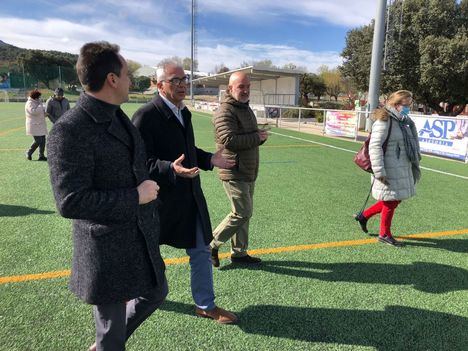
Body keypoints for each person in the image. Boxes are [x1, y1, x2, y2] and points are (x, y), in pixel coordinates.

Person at [47, 41, 167, 351]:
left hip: (139, 237)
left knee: (156, 292)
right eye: (127, 74)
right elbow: (70, 201)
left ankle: (104, 344)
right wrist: (135, 196)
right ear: (112, 79)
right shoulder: (69, 129)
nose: (131, 80)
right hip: (107, 250)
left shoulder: (117, 115)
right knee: (113, 336)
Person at [132, 62, 238, 324]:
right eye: (175, 80)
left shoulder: (184, 112)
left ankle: (205, 305)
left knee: (201, 250)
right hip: (158, 202)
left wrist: (210, 159)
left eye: (184, 79)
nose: (182, 84)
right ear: (160, 86)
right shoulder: (145, 116)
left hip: (190, 198)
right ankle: (132, 293)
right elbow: (139, 164)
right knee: (144, 254)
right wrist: (170, 169)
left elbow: (188, 150)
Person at [210, 72, 269, 267]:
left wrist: (258, 136)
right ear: (230, 89)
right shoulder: (224, 111)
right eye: (240, 86)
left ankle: (239, 253)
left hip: (248, 170)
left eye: (247, 87)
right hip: (233, 170)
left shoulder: (245, 108)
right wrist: (257, 137)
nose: (245, 90)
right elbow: (229, 140)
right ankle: (211, 244)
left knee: (244, 212)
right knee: (242, 213)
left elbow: (249, 137)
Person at [354, 90, 421, 247]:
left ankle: (363, 216)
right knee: (391, 201)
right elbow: (375, 146)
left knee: (395, 199)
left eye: (410, 104)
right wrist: (379, 171)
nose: (408, 108)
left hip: (401, 167)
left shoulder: (403, 121)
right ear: (396, 104)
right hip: (388, 168)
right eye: (406, 105)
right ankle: (384, 234)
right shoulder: (384, 121)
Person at [25, 89, 47, 161]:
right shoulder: (29, 103)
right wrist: (41, 106)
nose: (39, 98)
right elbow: (33, 112)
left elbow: (41, 112)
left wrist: (45, 113)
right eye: (38, 97)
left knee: (43, 140)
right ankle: (29, 152)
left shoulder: (38, 102)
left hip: (40, 124)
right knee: (38, 141)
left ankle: (41, 155)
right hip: (33, 125)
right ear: (35, 97)